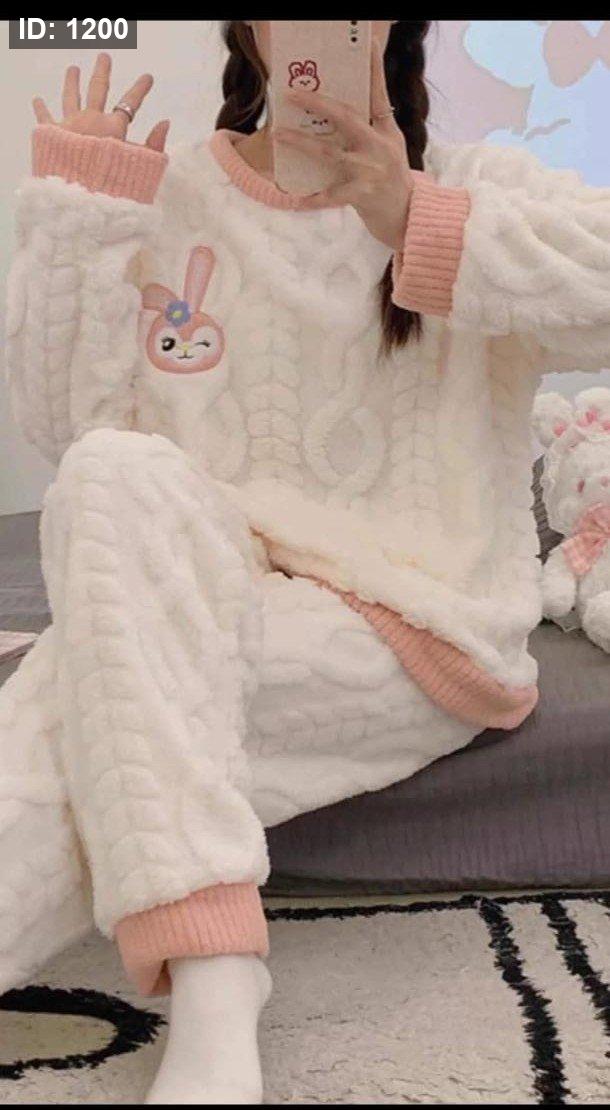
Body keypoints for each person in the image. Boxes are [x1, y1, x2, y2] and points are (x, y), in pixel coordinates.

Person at [3, 18, 610, 1104]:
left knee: (80, 702)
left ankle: (212, 978)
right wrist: (80, 215)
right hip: (206, 586)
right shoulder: (176, 196)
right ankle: (216, 966)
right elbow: (72, 431)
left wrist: (411, 215)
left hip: (409, 622)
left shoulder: (469, 184)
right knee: (107, 471)